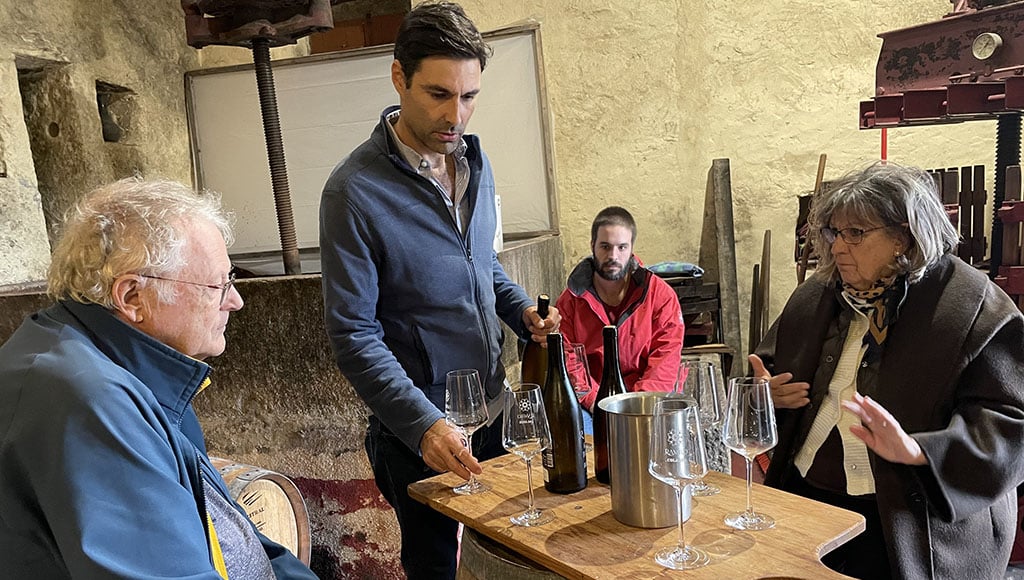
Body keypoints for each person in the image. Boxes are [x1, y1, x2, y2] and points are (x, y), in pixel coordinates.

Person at [318, 3, 559, 578]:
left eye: (470, 96)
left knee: (506, 559)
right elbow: (353, 335)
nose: (457, 116)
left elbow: (481, 264)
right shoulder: (354, 194)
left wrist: (519, 308)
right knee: (437, 569)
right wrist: (424, 425)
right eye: (438, 94)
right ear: (399, 77)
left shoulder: (476, 164)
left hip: (495, 412)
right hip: (419, 433)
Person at [0, 178, 316, 579]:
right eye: (220, 285)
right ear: (133, 297)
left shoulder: (135, 368)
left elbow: (230, 531)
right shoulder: (86, 399)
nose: (234, 301)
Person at [751, 163, 1024, 579]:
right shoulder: (815, 297)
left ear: (905, 236)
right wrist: (765, 396)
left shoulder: (973, 307)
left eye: (855, 233)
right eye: (833, 233)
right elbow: (766, 370)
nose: (838, 248)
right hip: (811, 502)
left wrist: (921, 452)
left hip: (913, 523)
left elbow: (1012, 424)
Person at [555, 206, 684, 430]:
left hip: (649, 402)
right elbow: (570, 363)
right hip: (592, 404)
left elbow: (665, 359)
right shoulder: (569, 301)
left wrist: (636, 408)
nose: (613, 256)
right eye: (605, 246)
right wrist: (599, 404)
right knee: (575, 435)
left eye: (622, 247)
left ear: (632, 249)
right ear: (592, 246)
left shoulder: (660, 296)